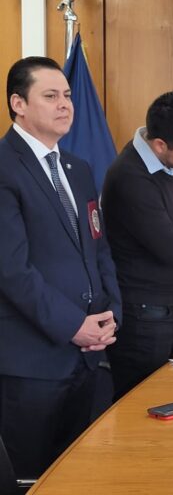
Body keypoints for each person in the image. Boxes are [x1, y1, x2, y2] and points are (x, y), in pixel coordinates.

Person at [0, 57, 121, 477]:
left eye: (67, 95)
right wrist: (73, 325)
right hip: (31, 364)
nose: (65, 105)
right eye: (50, 96)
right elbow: (12, 271)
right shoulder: (3, 167)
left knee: (77, 477)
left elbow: (99, 249)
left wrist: (111, 315)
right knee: (30, 479)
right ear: (18, 104)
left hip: (87, 358)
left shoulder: (78, 168)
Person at [102, 91, 173, 400]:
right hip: (140, 316)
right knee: (143, 406)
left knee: (166, 402)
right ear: (160, 145)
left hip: (167, 310)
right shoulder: (130, 176)